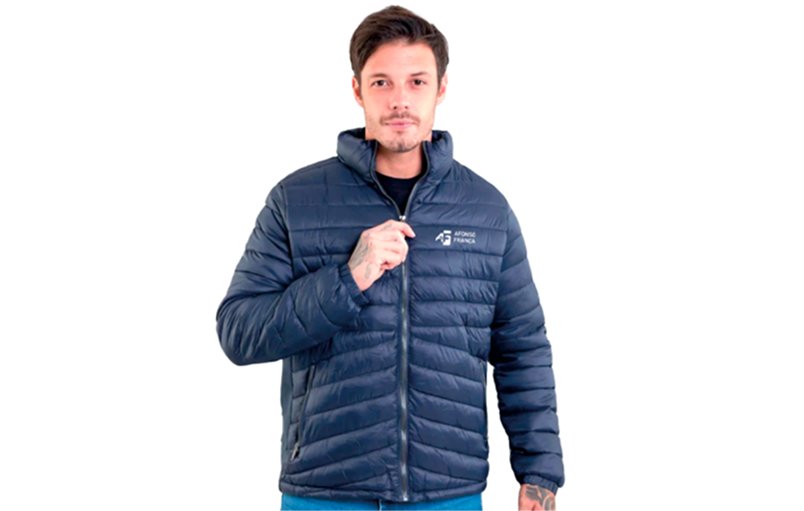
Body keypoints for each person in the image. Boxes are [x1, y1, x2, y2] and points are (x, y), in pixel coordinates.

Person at [215, 5, 564, 510]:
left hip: (447, 494)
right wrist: (347, 279)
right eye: (382, 83)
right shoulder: (296, 201)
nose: (400, 100)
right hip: (326, 492)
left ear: (441, 89)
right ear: (357, 90)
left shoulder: (486, 210)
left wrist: (539, 474)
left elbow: (522, 348)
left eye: (417, 82)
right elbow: (239, 330)